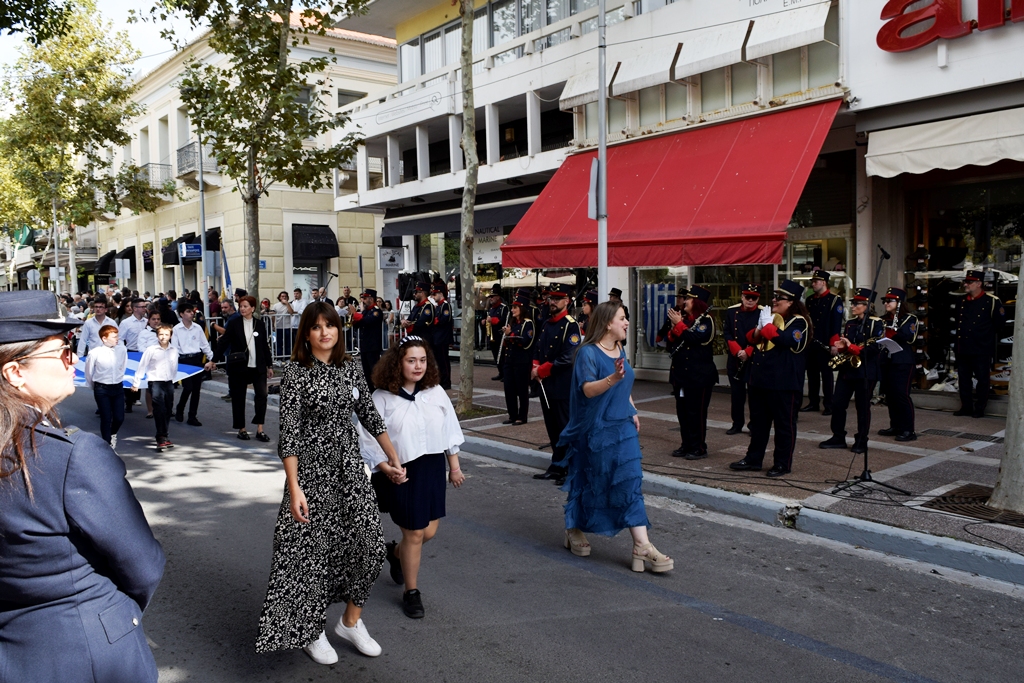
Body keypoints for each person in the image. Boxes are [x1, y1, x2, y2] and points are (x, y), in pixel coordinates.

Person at [0, 290, 165, 682]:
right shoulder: (73, 456)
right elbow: (143, 565)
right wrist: (111, 615)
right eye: (60, 351)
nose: (71, 359)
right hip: (90, 652)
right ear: (15, 373)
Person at [256, 301, 406, 664]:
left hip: (350, 469)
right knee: (311, 556)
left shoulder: (351, 367)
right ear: (306, 334)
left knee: (370, 547)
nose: (325, 332)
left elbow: (369, 414)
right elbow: (289, 436)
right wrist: (294, 487)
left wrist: (391, 457)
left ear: (339, 330)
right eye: (317, 326)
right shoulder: (296, 373)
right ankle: (311, 630)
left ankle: (350, 622)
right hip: (311, 473)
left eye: (331, 325)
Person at [555, 301, 673, 573]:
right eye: (622, 318)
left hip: (623, 428)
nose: (627, 322)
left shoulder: (620, 348)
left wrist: (631, 408)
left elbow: (626, 380)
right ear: (608, 323)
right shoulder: (587, 353)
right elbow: (587, 390)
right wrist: (613, 378)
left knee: (630, 481)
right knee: (591, 478)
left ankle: (641, 546)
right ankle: (573, 529)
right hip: (596, 429)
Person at [363, 336, 465, 619]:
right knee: (415, 533)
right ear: (398, 363)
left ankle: (395, 554)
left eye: (422, 360)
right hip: (400, 471)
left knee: (428, 532)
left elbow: (450, 431)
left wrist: (453, 467)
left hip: (431, 467)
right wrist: (385, 468)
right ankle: (411, 592)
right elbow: (368, 439)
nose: (418, 366)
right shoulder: (381, 397)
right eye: (411, 360)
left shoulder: (435, 393)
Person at [729, 280, 812, 477]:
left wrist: (766, 325)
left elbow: (786, 340)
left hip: (783, 383)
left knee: (784, 426)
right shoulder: (772, 319)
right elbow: (752, 338)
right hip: (761, 380)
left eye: (779, 298)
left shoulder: (799, 322)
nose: (774, 301)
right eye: (774, 297)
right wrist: (760, 327)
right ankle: (753, 459)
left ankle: (782, 463)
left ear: (791, 302)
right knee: (758, 424)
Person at [819, 288, 885, 455]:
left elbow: (875, 348)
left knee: (863, 407)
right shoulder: (850, 323)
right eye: (853, 303)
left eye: (857, 303)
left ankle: (862, 439)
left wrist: (852, 347)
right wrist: (841, 347)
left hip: (865, 371)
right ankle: (838, 436)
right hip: (847, 370)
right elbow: (848, 345)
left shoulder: (876, 323)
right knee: (838, 403)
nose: (853, 306)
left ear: (867, 305)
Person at [532, 283, 583, 485]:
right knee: (552, 428)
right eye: (550, 298)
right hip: (546, 385)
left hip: (561, 385)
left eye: (556, 299)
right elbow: (538, 348)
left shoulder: (571, 325)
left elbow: (569, 357)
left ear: (566, 301)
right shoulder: (547, 323)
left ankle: (569, 468)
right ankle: (557, 465)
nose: (551, 302)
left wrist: (541, 370)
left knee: (565, 428)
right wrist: (534, 366)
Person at [666, 285, 718, 459]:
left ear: (696, 302)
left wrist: (679, 325)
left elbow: (696, 338)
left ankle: (699, 447)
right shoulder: (685, 320)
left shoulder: (706, 321)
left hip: (699, 376)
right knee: (683, 412)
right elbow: (671, 343)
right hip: (682, 376)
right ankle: (686, 444)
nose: (684, 301)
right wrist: (676, 327)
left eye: (688, 299)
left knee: (697, 413)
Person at [215, 294, 273, 441]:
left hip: (258, 366)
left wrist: (269, 365)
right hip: (239, 366)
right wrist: (213, 360)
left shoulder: (259, 324)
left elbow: (265, 346)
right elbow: (224, 342)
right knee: (239, 398)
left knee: (262, 396)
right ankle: (242, 429)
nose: (242, 309)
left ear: (253, 308)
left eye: (246, 306)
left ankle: (260, 429)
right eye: (241, 306)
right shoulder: (234, 323)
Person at [954, 269, 1006, 418]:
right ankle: (966, 407)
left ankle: (980, 408)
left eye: (969, 282)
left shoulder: (992, 301)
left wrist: (984, 338)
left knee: (982, 379)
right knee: (964, 379)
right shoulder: (962, 301)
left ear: (978, 284)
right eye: (966, 281)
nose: (966, 284)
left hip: (981, 347)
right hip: (963, 347)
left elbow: (999, 324)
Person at [878, 287, 919, 442]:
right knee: (890, 395)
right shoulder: (883, 319)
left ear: (899, 303)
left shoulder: (909, 319)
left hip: (902, 362)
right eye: (885, 300)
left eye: (890, 300)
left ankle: (908, 429)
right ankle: (895, 425)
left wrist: (890, 332)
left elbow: (909, 336)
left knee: (902, 395)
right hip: (887, 361)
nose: (886, 303)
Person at [802, 270, 844, 415]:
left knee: (826, 375)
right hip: (812, 342)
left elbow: (836, 323)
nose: (813, 284)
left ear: (824, 282)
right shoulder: (810, 300)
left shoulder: (834, 300)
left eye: (816, 282)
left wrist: (834, 343)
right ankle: (813, 402)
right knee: (812, 374)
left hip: (825, 342)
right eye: (812, 282)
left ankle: (829, 404)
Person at [722, 283, 763, 435]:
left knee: (754, 396)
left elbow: (764, 335)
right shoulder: (732, 311)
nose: (750, 301)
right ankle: (737, 423)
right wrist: (736, 350)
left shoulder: (763, 313)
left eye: (754, 298)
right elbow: (727, 332)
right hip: (736, 357)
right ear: (742, 297)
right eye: (747, 297)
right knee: (736, 394)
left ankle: (754, 425)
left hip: (753, 358)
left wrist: (748, 351)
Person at [133, 324, 179, 451]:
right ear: (157, 336)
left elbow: (174, 366)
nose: (163, 337)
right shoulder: (151, 349)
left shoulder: (174, 350)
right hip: (155, 382)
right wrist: (136, 383)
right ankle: (160, 437)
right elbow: (142, 366)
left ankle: (165, 434)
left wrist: (173, 380)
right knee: (159, 409)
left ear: (170, 336)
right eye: (161, 334)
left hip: (168, 382)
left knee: (168, 409)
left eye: (166, 335)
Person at [172, 301, 217, 426]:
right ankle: (180, 408)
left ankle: (192, 416)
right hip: (183, 360)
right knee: (188, 387)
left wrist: (212, 359)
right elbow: (174, 348)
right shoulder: (176, 329)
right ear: (181, 314)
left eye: (192, 311)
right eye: (188, 311)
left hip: (196, 359)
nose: (191, 313)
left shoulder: (197, 328)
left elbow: (205, 345)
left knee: (196, 389)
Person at [84, 323, 128, 448]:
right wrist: (94, 386)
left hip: (117, 387)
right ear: (104, 338)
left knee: (119, 417)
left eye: (117, 336)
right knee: (106, 417)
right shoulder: (95, 353)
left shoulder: (122, 349)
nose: (117, 339)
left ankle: (113, 433)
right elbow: (89, 372)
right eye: (114, 337)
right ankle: (107, 444)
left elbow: (123, 366)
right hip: (102, 388)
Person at [501, 294, 535, 425]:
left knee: (521, 390)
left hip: (521, 361)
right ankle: (512, 414)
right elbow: (508, 342)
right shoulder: (513, 323)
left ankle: (522, 416)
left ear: (522, 308)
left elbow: (525, 341)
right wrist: (506, 336)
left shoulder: (528, 323)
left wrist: (510, 335)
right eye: (512, 307)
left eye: (515, 307)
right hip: (510, 360)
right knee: (509, 389)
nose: (512, 310)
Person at [350, 288, 386, 391]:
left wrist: (356, 314)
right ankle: (370, 390)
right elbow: (359, 324)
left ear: (371, 298)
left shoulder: (376, 311)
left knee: (374, 369)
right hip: (365, 345)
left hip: (373, 346)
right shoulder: (366, 311)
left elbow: (367, 321)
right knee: (366, 371)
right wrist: (354, 318)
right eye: (362, 298)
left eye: (365, 298)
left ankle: (379, 389)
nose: (363, 301)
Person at [119, 296, 150, 413]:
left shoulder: (147, 321)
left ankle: (136, 398)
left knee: (141, 375)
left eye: (145, 307)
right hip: (131, 351)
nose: (144, 309)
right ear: (135, 308)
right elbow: (120, 338)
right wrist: (122, 351)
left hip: (144, 352)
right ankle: (128, 401)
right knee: (131, 376)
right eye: (142, 307)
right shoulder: (126, 323)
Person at [430, 280, 454, 390]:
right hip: (437, 338)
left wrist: (435, 320)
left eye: (435, 294)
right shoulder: (438, 306)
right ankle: (441, 380)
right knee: (439, 361)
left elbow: (445, 318)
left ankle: (446, 381)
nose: (433, 297)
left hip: (443, 338)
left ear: (440, 294)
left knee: (444, 361)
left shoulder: (445, 305)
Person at [484, 284, 509, 381]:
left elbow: (504, 320)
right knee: (496, 356)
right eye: (490, 297)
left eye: (493, 296)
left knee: (502, 356)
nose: (491, 298)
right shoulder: (491, 308)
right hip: (492, 335)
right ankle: (500, 372)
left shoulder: (503, 307)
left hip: (500, 335)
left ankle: (505, 374)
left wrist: (492, 320)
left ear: (498, 297)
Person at [272, 290, 298, 359]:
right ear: (280, 297)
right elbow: (273, 315)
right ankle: (279, 358)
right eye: (282, 296)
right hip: (279, 327)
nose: (284, 298)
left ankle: (287, 358)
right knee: (279, 343)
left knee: (288, 343)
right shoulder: (276, 305)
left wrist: (287, 304)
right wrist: (273, 325)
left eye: (285, 296)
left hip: (287, 327)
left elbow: (291, 312)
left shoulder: (290, 304)